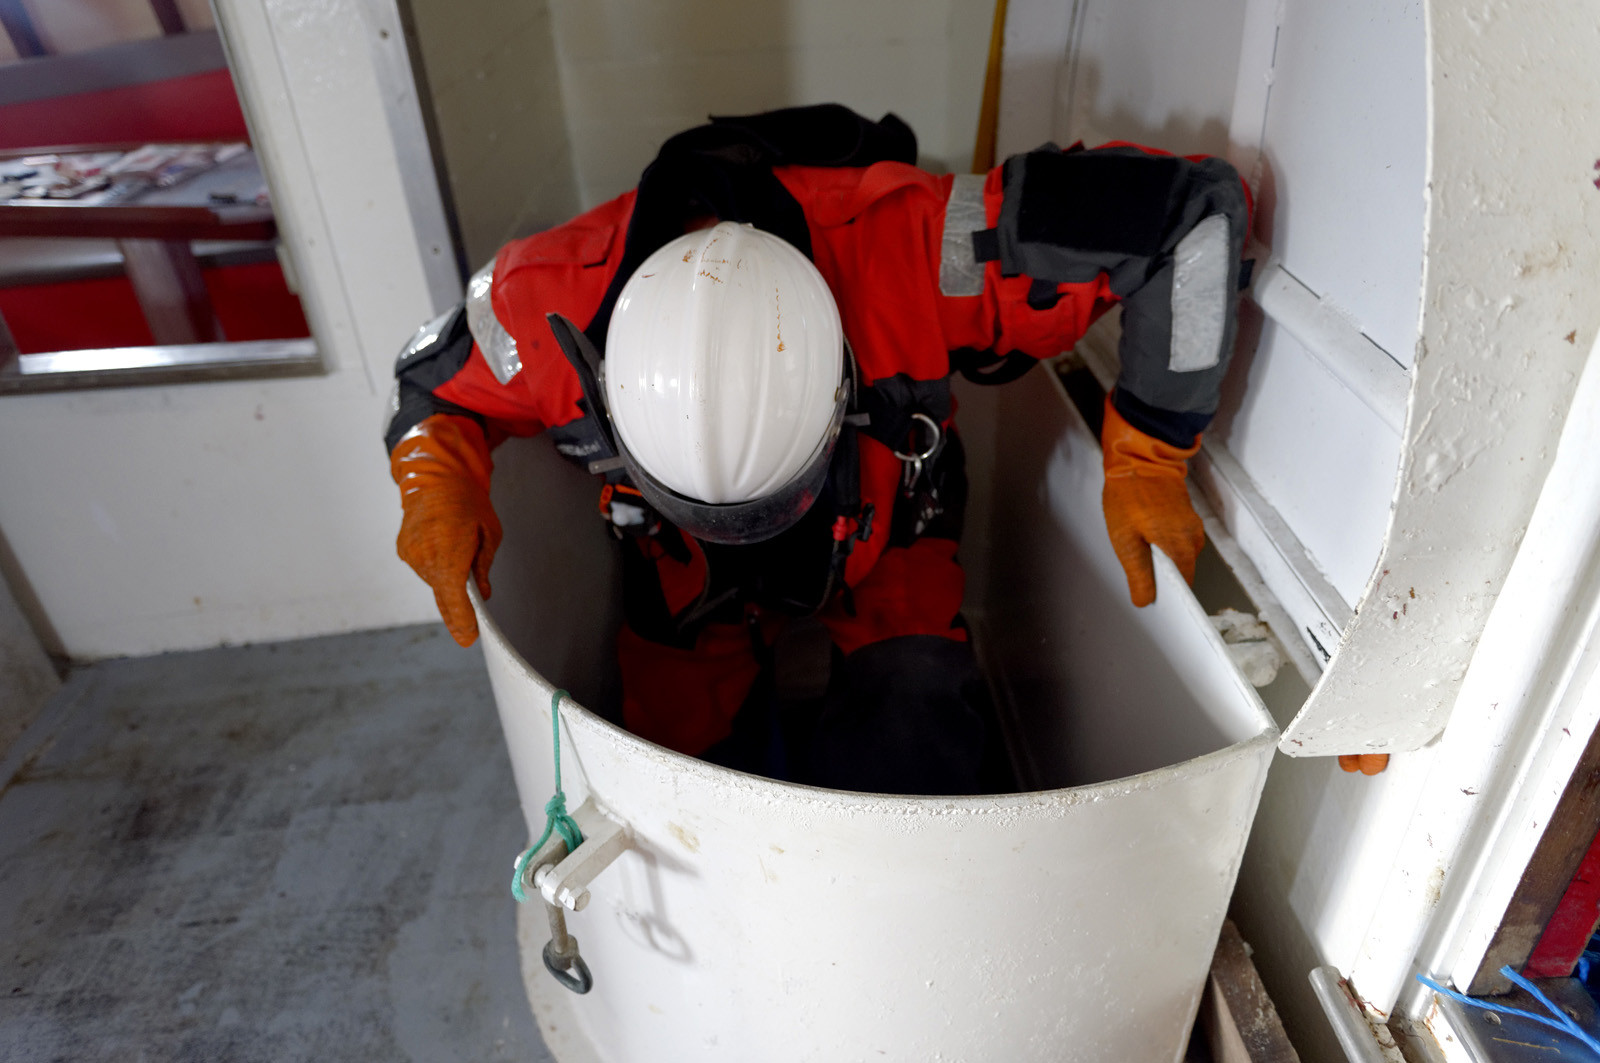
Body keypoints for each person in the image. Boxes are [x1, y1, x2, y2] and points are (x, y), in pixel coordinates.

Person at [384, 105, 1259, 795]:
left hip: (884, 530)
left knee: (912, 764)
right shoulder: (542, 304)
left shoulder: (912, 248)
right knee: (670, 793)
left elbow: (1188, 215)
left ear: (841, 379)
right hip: (681, 571)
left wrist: (1148, 455)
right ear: (603, 388)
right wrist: (435, 482)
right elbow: (432, 385)